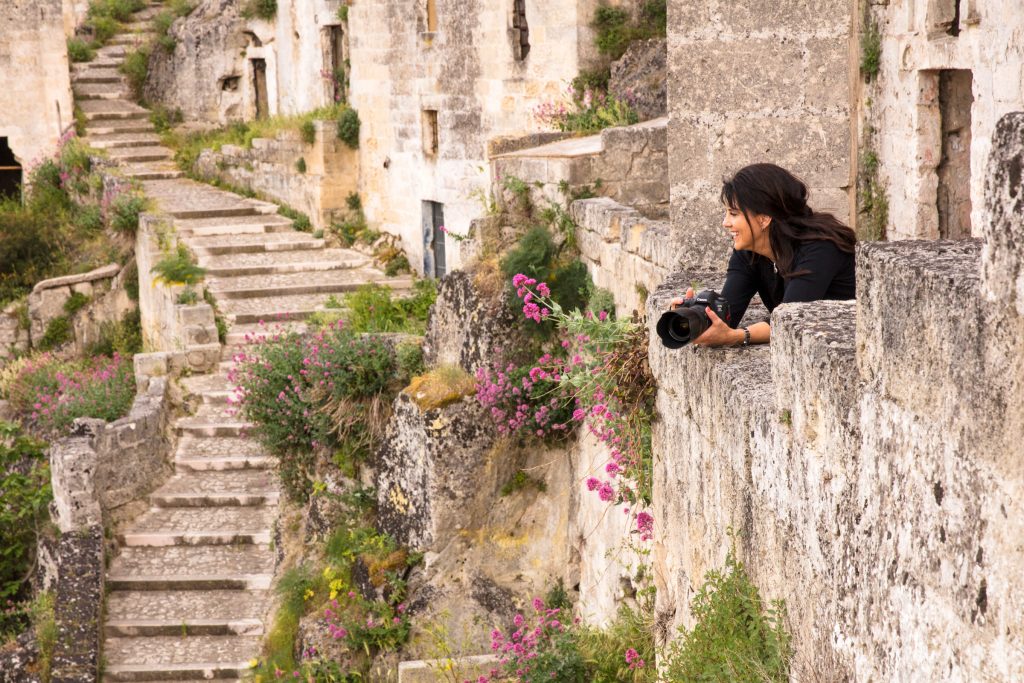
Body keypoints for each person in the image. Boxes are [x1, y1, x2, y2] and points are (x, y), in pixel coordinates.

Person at [672, 163, 856, 347]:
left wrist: (738, 336)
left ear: (764, 218)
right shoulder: (749, 252)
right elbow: (727, 314)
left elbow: (790, 319)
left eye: (734, 213)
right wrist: (695, 316)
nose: (725, 223)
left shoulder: (820, 248)